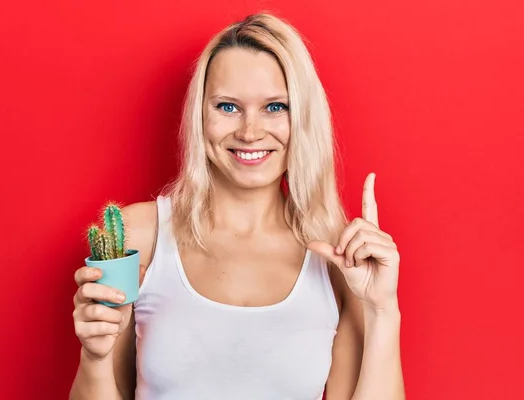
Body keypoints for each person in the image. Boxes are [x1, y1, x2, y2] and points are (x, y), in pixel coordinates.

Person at [69, 12, 405, 400]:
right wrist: (94, 357)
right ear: (200, 116)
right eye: (227, 107)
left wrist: (383, 310)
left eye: (275, 107)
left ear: (304, 119)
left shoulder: (337, 258)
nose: (249, 132)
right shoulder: (140, 237)